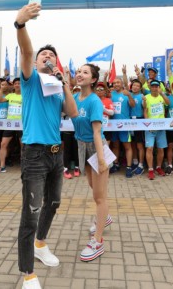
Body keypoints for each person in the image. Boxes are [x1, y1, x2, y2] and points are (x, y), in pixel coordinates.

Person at [14, 1, 78, 289]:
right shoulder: (30, 80)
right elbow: (27, 51)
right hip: (35, 155)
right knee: (31, 212)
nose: (47, 57)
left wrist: (65, 84)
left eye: (52, 55)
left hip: (56, 153)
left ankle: (40, 245)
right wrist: (20, 24)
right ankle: (27, 274)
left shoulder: (56, 86)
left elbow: (72, 112)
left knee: (54, 202)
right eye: (44, 55)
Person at [72, 63, 109, 262]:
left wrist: (101, 160)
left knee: (99, 197)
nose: (80, 74)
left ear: (93, 79)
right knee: (94, 187)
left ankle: (98, 241)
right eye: (78, 71)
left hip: (97, 148)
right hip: (81, 146)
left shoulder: (94, 101)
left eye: (85, 72)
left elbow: (97, 132)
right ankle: (105, 217)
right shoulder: (75, 98)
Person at [143, 80, 170, 180]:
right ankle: (150, 169)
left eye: (156, 86)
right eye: (153, 86)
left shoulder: (161, 96)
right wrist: (148, 125)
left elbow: (168, 103)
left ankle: (158, 167)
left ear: (159, 87)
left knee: (160, 148)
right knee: (149, 148)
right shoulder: (146, 97)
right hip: (150, 128)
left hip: (161, 127)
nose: (154, 88)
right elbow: (145, 111)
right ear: (150, 88)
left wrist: (162, 93)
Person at [109, 77, 135, 178]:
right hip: (113, 125)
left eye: (118, 82)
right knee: (115, 146)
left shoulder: (126, 93)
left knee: (127, 146)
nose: (116, 84)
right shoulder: (111, 94)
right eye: (114, 83)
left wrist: (129, 95)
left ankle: (128, 167)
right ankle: (116, 164)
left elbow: (132, 105)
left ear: (121, 84)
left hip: (124, 125)